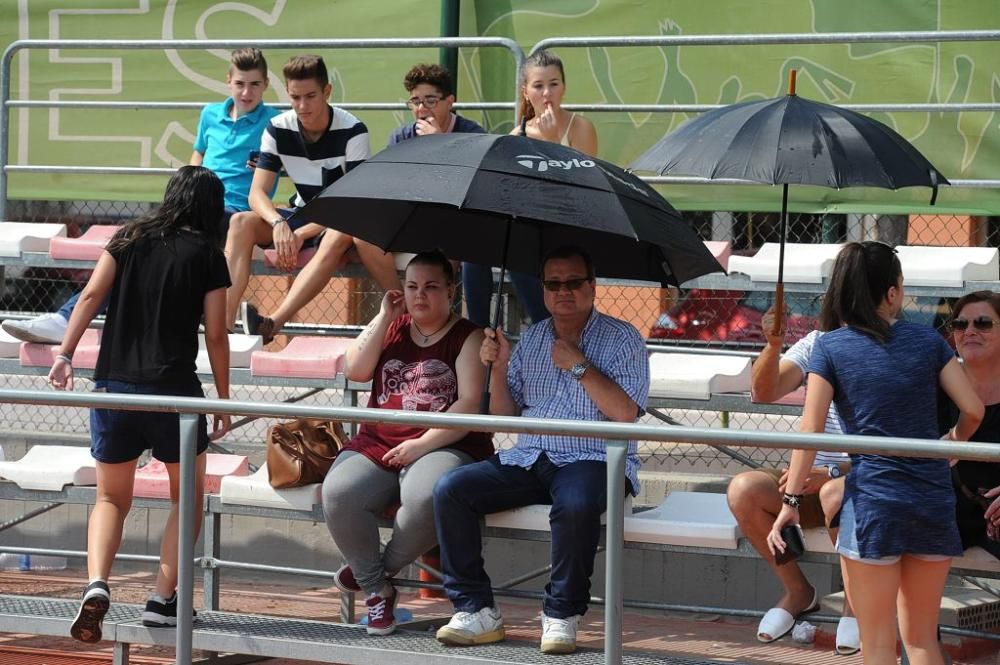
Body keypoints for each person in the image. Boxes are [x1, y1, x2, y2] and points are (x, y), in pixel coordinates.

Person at [768, 241, 983, 665]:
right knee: (921, 639)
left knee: (878, 643)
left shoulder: (830, 347)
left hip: (872, 504)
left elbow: (811, 430)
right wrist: (951, 445)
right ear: (890, 293)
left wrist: (791, 501)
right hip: (931, 501)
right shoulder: (928, 341)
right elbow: (973, 408)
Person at [432, 245, 649, 654]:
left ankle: (562, 613)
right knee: (452, 489)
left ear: (592, 286)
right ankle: (475, 609)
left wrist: (579, 365)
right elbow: (505, 413)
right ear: (543, 289)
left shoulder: (623, 338)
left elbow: (625, 413)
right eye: (553, 283)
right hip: (531, 456)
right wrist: (496, 368)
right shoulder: (532, 338)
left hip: (594, 456)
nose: (563, 291)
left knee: (576, 503)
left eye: (573, 282)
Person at [48, 165, 232, 643]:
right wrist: (225, 399)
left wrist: (65, 354)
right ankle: (160, 599)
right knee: (186, 500)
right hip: (174, 393)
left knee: (110, 497)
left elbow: (90, 295)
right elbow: (216, 332)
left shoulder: (129, 237)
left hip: (113, 388)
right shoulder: (208, 254)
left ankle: (97, 584)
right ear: (212, 208)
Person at [4, 48, 278, 344]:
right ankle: (66, 318)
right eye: (240, 83)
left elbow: (294, 166)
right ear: (228, 81)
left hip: (232, 211)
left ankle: (73, 320)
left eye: (254, 84)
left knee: (154, 252)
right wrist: (186, 186)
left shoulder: (274, 123)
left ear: (265, 85)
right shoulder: (210, 113)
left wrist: (270, 164)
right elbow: (198, 152)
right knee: (131, 241)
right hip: (190, 205)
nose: (246, 92)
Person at [322, 250, 493, 636]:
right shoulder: (394, 326)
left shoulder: (470, 336)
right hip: (379, 439)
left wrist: (421, 446)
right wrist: (384, 316)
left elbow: (468, 405)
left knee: (426, 496)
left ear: (451, 290)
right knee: (338, 493)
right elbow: (356, 369)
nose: (420, 295)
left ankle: (374, 574)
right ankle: (378, 588)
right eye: (412, 286)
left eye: (431, 287)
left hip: (446, 443)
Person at [231, 55, 400, 342]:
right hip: (300, 215)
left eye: (310, 96)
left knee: (340, 230)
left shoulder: (353, 130)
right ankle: (224, 327)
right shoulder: (276, 127)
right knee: (240, 223)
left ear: (328, 91)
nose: (302, 106)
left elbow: (352, 204)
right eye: (295, 97)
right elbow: (256, 193)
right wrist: (277, 224)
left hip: (341, 219)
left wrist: (301, 233)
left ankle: (272, 324)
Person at [727, 307, 858, 652]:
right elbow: (764, 392)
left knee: (833, 494)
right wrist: (772, 345)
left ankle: (855, 606)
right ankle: (799, 591)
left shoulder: (889, 348)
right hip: (806, 480)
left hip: (857, 480)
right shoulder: (818, 341)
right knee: (745, 490)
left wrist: (830, 472)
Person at [461, 50, 604, 331]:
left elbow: (584, 190)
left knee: (520, 255)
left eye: (554, 84)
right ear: (526, 92)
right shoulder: (518, 136)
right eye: (538, 86)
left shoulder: (581, 126)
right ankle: (479, 334)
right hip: (529, 227)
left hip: (567, 224)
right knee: (474, 252)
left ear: (564, 87)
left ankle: (547, 330)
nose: (547, 93)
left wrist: (551, 143)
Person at [938, 290, 1000, 560]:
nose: (970, 331)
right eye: (961, 324)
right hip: (951, 506)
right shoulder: (938, 386)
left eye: (983, 323)